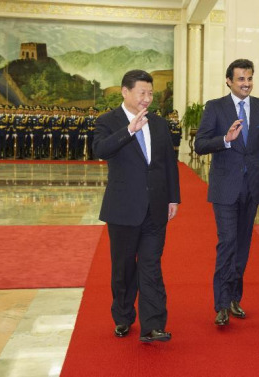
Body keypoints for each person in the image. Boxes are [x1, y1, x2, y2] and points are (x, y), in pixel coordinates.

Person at [93, 69, 180, 342]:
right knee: (123, 268)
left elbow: (168, 164)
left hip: (155, 209)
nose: (147, 99)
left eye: (150, 93)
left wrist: (173, 197)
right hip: (123, 209)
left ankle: (153, 324)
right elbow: (101, 150)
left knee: (151, 266)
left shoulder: (159, 124)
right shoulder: (108, 121)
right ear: (125, 92)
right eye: (142, 93)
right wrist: (129, 131)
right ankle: (123, 316)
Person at [194, 59, 259, 326]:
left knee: (243, 245)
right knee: (228, 241)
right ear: (229, 81)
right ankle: (221, 303)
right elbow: (200, 144)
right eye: (241, 79)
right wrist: (225, 140)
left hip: (252, 187)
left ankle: (234, 297)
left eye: (249, 78)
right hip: (225, 188)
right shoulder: (215, 107)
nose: (246, 83)